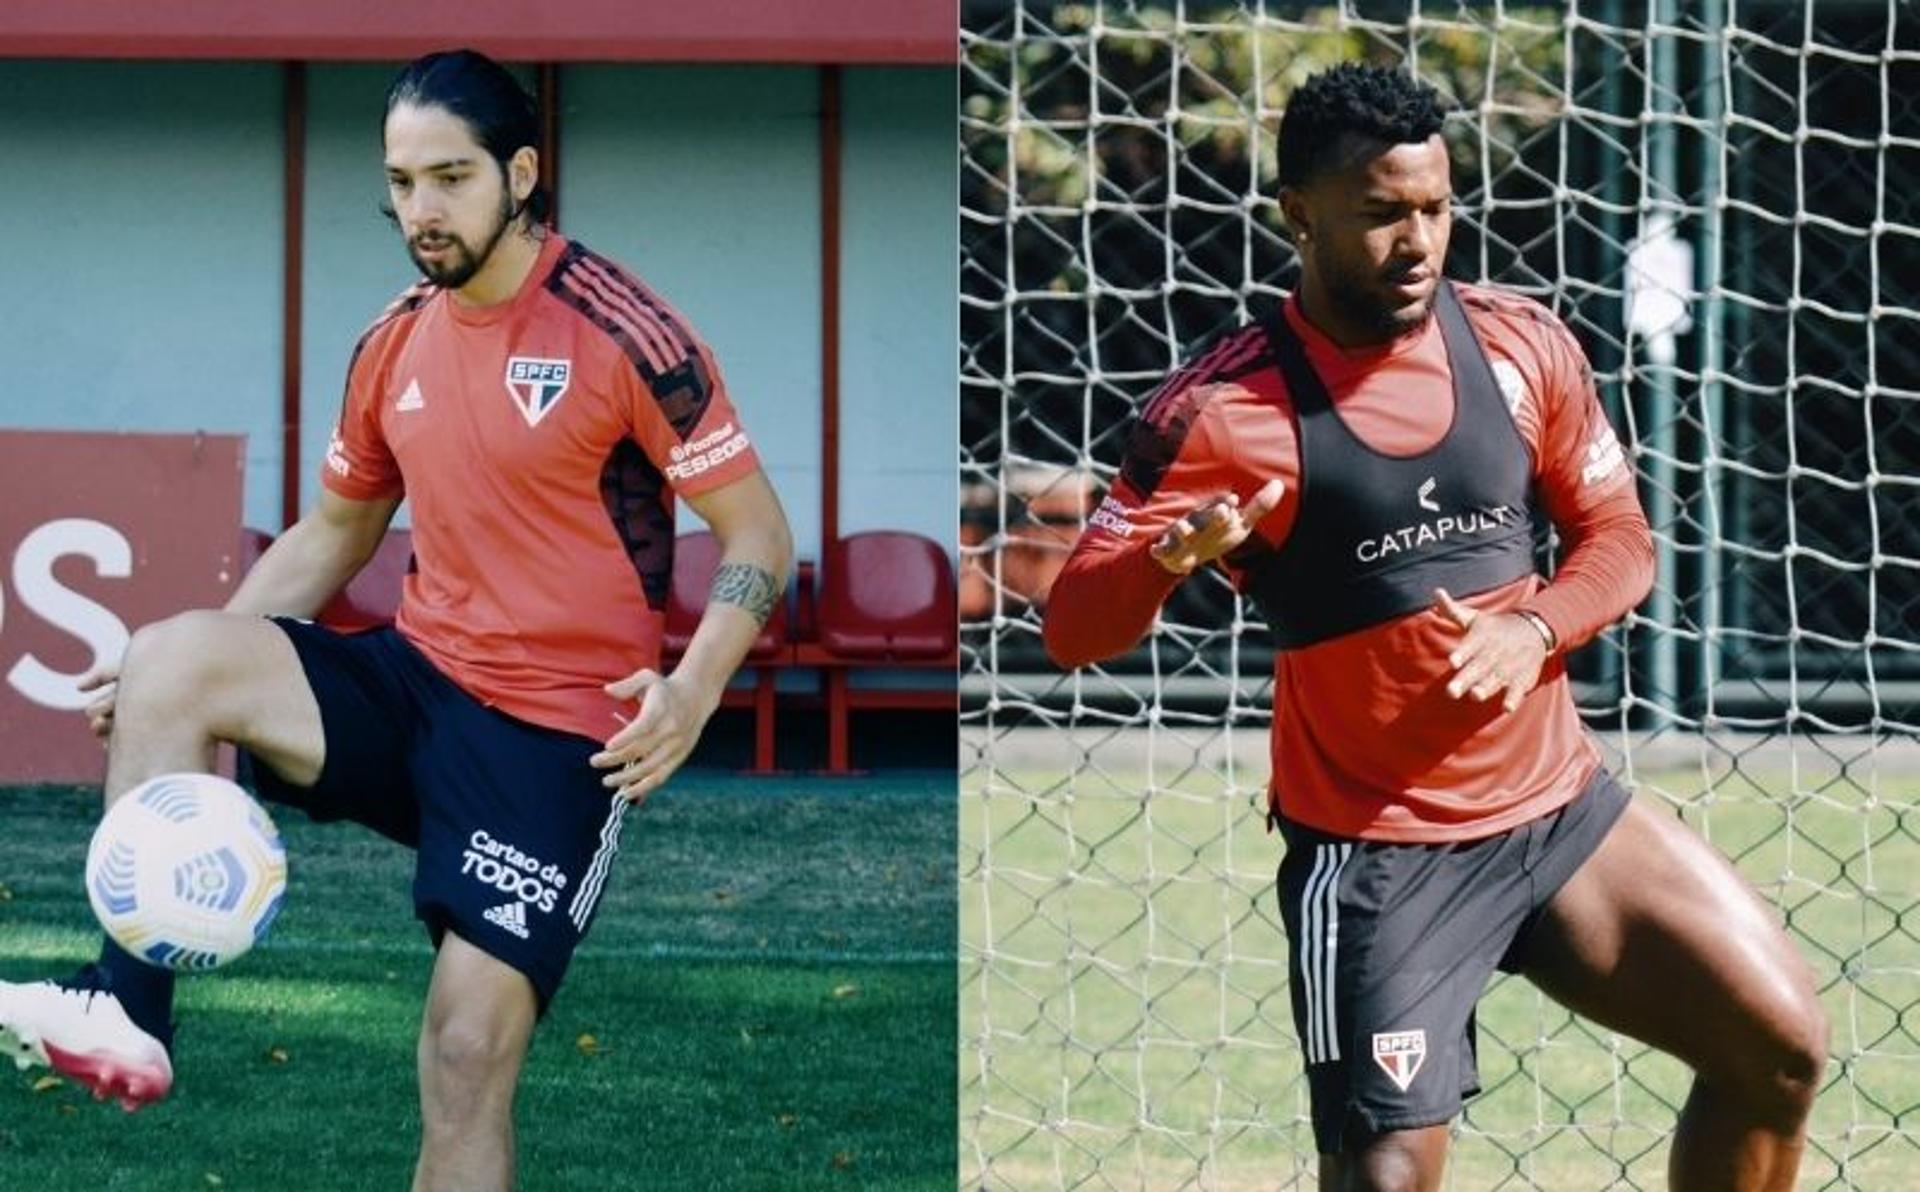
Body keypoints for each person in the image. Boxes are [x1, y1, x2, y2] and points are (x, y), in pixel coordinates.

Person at [0, 48, 790, 1192]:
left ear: (521, 173)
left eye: (450, 178)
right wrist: (166, 692)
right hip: (416, 683)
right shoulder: (394, 340)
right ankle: (130, 1011)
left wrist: (696, 684)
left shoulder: (624, 330)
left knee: (465, 1054)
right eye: (402, 183)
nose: (420, 210)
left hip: (561, 734)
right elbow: (335, 533)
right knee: (167, 658)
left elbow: (761, 536)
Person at [1042, 63, 1826, 1192]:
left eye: (1436, 209)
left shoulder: (1522, 345)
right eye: (1381, 215)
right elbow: (1073, 629)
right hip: (1378, 856)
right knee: (1385, 1179)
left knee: (1778, 1048)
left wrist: (1535, 629)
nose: (1417, 242)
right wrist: (1167, 563)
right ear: (1300, 215)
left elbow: (1622, 540)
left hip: (1560, 819)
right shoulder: (1220, 412)